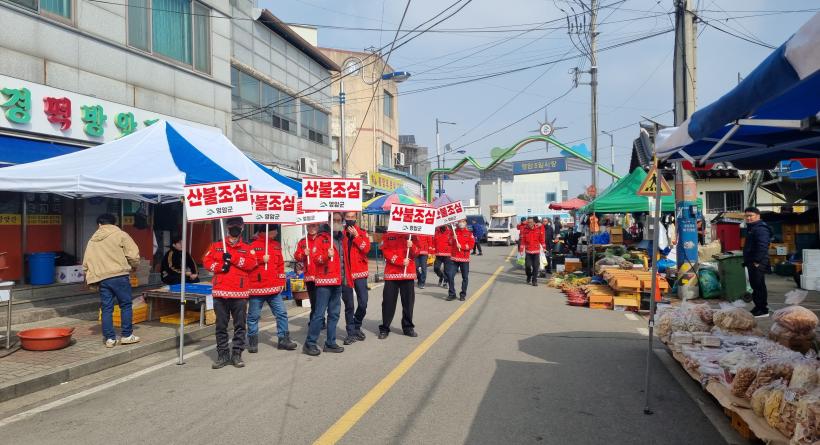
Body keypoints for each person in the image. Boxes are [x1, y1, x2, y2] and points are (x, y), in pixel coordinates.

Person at [202, 217, 257, 369]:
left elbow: (251, 264)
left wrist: (233, 258)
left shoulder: (247, 247)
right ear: (227, 227)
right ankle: (223, 355)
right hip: (220, 292)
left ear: (242, 228)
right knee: (221, 326)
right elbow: (206, 262)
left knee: (240, 326)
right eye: (232, 225)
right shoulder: (217, 245)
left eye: (238, 225)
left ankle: (237, 354)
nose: (235, 228)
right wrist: (220, 267)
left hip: (239, 293)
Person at [83, 213, 142, 348]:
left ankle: (110, 338)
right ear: (114, 223)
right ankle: (127, 336)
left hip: (102, 278)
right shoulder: (121, 235)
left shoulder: (92, 240)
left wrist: (89, 276)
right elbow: (133, 255)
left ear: (99, 225)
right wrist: (134, 265)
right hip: (119, 275)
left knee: (106, 308)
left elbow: (86, 262)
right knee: (125, 305)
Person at [247, 224, 297, 353]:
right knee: (253, 316)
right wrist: (260, 260)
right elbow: (246, 264)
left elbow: (280, 265)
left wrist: (281, 281)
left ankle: (283, 339)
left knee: (281, 313)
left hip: (274, 288)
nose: (276, 233)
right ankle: (252, 341)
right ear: (267, 231)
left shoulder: (276, 245)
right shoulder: (251, 245)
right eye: (275, 231)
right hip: (256, 288)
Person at [302, 219, 344, 356]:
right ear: (329, 222)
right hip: (324, 282)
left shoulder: (341, 238)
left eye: (339, 220)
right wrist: (327, 255)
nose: (337, 222)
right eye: (334, 220)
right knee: (319, 314)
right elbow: (315, 258)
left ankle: (330, 343)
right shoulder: (321, 238)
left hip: (337, 282)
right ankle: (310, 343)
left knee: (334, 314)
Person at [338, 212, 370, 345]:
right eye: (348, 217)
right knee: (349, 305)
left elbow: (366, 249)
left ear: (356, 218)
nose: (350, 219)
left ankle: (357, 325)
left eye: (352, 217)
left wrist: (356, 237)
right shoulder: (340, 233)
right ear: (344, 218)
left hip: (360, 273)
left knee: (363, 303)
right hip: (345, 274)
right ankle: (351, 333)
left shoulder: (362, 232)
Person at [379, 232, 419, 339]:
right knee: (388, 302)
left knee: (408, 303)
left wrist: (412, 246)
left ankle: (408, 327)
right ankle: (385, 327)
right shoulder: (388, 235)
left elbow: (416, 253)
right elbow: (385, 252)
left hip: (408, 273)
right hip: (392, 273)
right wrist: (400, 261)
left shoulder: (412, 235)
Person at [743, 207, 772, 317]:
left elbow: (763, 245)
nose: (748, 218)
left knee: (758, 285)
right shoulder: (753, 227)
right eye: (747, 216)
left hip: (758, 262)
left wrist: (757, 260)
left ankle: (763, 310)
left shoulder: (761, 229)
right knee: (756, 285)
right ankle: (758, 306)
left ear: (758, 216)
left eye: (751, 216)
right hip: (753, 261)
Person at [294, 223, 322, 329]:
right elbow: (297, 256)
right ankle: (314, 321)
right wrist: (303, 254)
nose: (311, 228)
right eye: (309, 226)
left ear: (318, 227)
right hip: (310, 276)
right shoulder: (303, 241)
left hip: (322, 276)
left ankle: (320, 320)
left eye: (314, 226)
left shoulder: (322, 239)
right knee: (314, 301)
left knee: (322, 301)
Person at [447, 220, 475, 301]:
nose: (461, 223)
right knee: (450, 275)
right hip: (454, 258)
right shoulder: (454, 232)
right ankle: (452, 294)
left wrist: (462, 246)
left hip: (464, 259)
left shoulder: (469, 233)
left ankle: (463, 294)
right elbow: (449, 243)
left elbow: (471, 245)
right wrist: (453, 238)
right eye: (460, 222)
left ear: (465, 223)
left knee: (465, 277)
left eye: (463, 222)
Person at [520, 217, 546, 286]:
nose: (529, 223)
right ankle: (529, 276)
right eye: (528, 222)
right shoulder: (525, 230)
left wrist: (544, 248)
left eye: (531, 222)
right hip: (528, 251)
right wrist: (521, 250)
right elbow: (522, 241)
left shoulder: (538, 229)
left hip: (536, 251)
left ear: (534, 222)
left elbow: (542, 240)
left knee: (536, 266)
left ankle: (534, 281)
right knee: (528, 266)